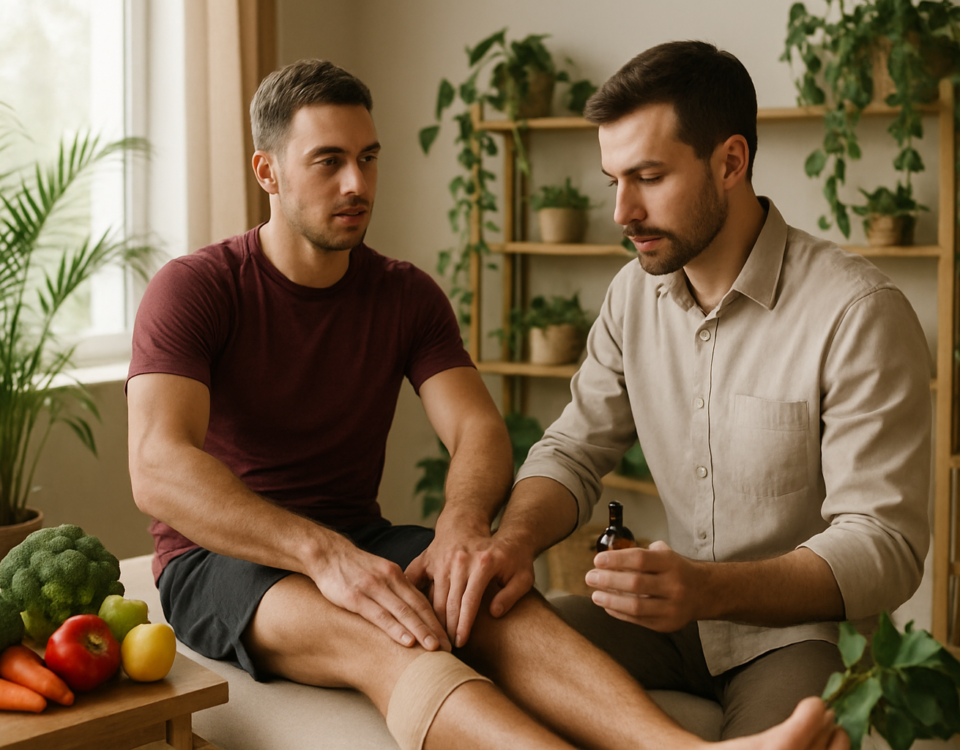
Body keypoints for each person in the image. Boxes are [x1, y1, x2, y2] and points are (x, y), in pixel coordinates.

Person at [126, 57, 848, 750]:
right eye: (328, 161)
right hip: (221, 561)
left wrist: (463, 527)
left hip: (362, 541)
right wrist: (322, 555)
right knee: (394, 639)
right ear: (268, 171)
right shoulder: (197, 289)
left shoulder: (404, 295)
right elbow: (158, 465)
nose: (357, 182)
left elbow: (476, 428)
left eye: (369, 157)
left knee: (493, 604)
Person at [441, 40, 930, 741]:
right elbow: (574, 449)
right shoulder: (630, 296)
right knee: (472, 630)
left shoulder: (857, 313)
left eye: (647, 176)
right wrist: (511, 542)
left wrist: (706, 588)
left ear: (730, 162)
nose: (621, 211)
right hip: (668, 629)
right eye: (614, 179)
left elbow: (885, 544)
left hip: (798, 636)